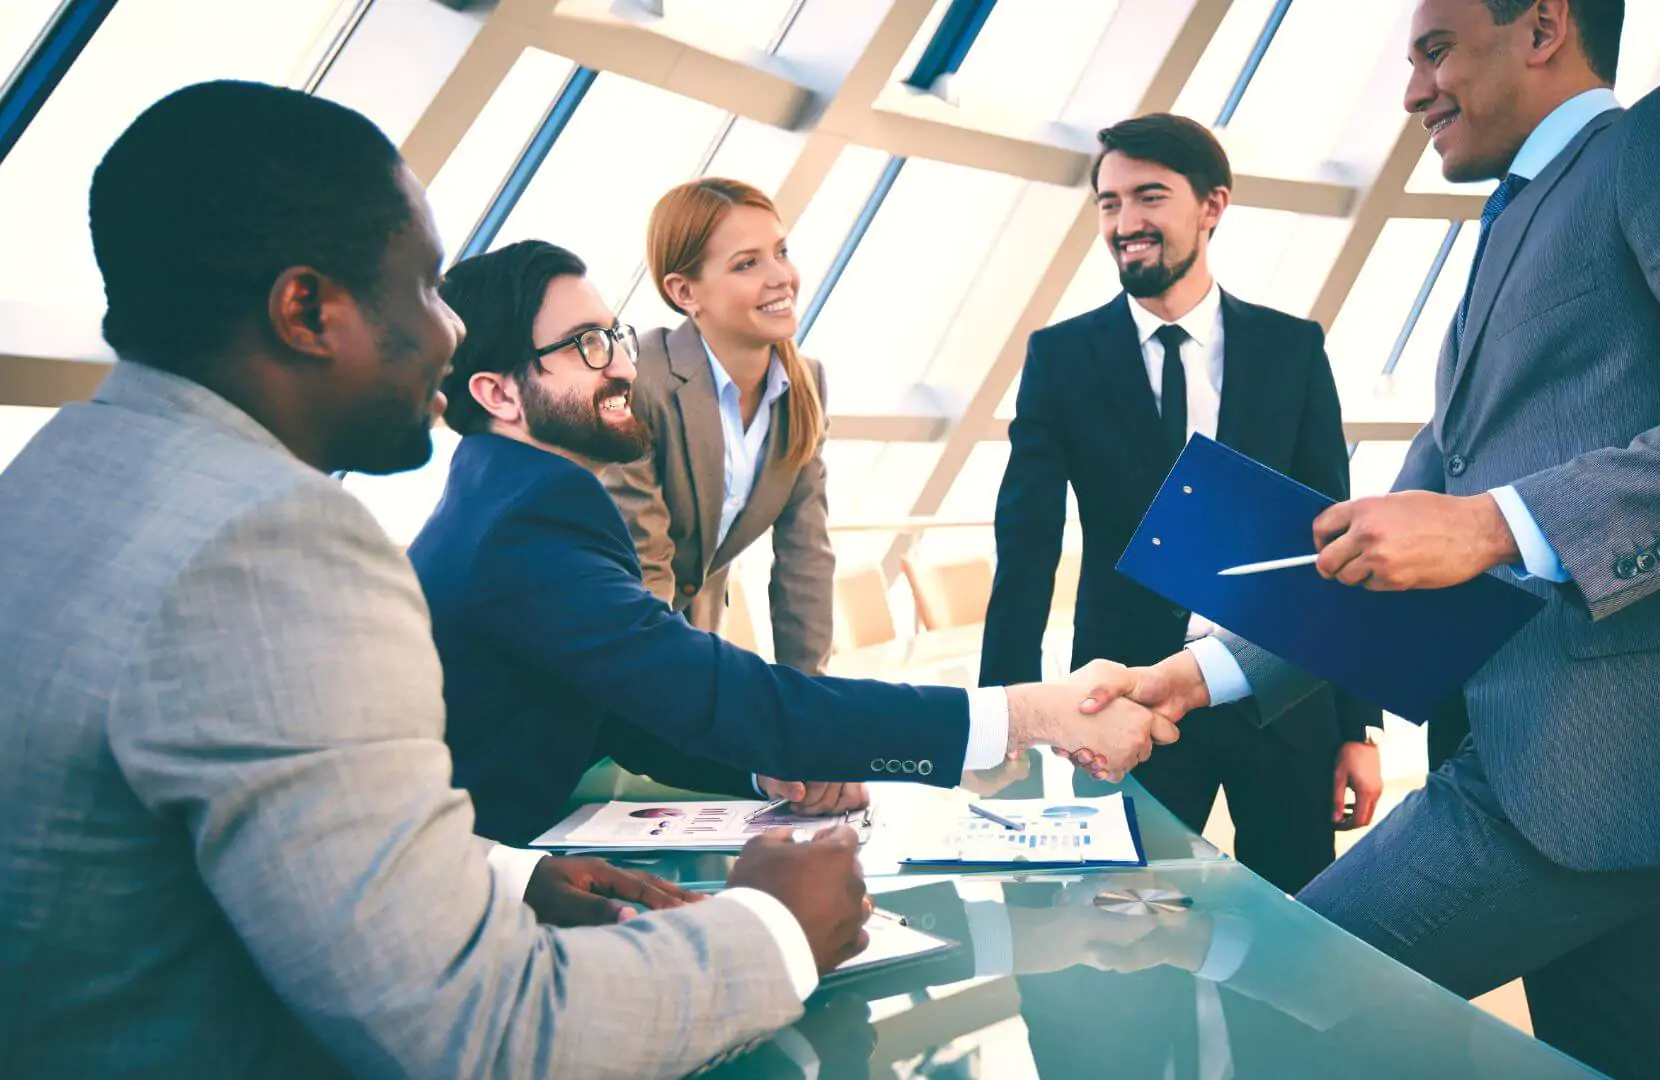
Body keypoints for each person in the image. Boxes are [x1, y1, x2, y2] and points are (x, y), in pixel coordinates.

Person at [0, 80, 886, 1079]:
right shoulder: (274, 543)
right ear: (305, 309)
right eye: (421, 287)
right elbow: (484, 1034)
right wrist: (773, 928)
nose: (451, 332)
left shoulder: (53, 479)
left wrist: (500, 882)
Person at [1083, 2, 1660, 1076]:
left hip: (1592, 763)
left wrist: (1495, 526)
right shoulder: (1510, 225)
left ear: (1545, 26)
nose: (1413, 90)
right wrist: (1203, 673)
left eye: (1434, 51)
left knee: (1269, 1005)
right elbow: (1379, 543)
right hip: (1580, 775)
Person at [410, 239, 1175, 846]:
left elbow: (627, 712)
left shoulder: (511, 497)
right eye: (586, 347)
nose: (622, 364)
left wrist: (766, 771)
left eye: (614, 335)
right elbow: (718, 694)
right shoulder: (529, 523)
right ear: (498, 392)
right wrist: (1030, 713)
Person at [979, 112, 1382, 893]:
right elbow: (1025, 543)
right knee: (1118, 938)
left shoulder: (1291, 349)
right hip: (1122, 701)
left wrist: (1355, 725)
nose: (1125, 223)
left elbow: (1333, 537)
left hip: (1282, 697)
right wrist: (1010, 719)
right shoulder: (1060, 359)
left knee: (1297, 957)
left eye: (1149, 197)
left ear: (1212, 206)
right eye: (1109, 203)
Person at [603, 178, 834, 678]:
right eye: (747, 263)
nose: (781, 278)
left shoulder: (804, 385)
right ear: (685, 292)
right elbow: (646, 564)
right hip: (612, 648)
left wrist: (812, 702)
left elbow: (805, 558)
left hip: (694, 639)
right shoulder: (642, 381)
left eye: (781, 252)